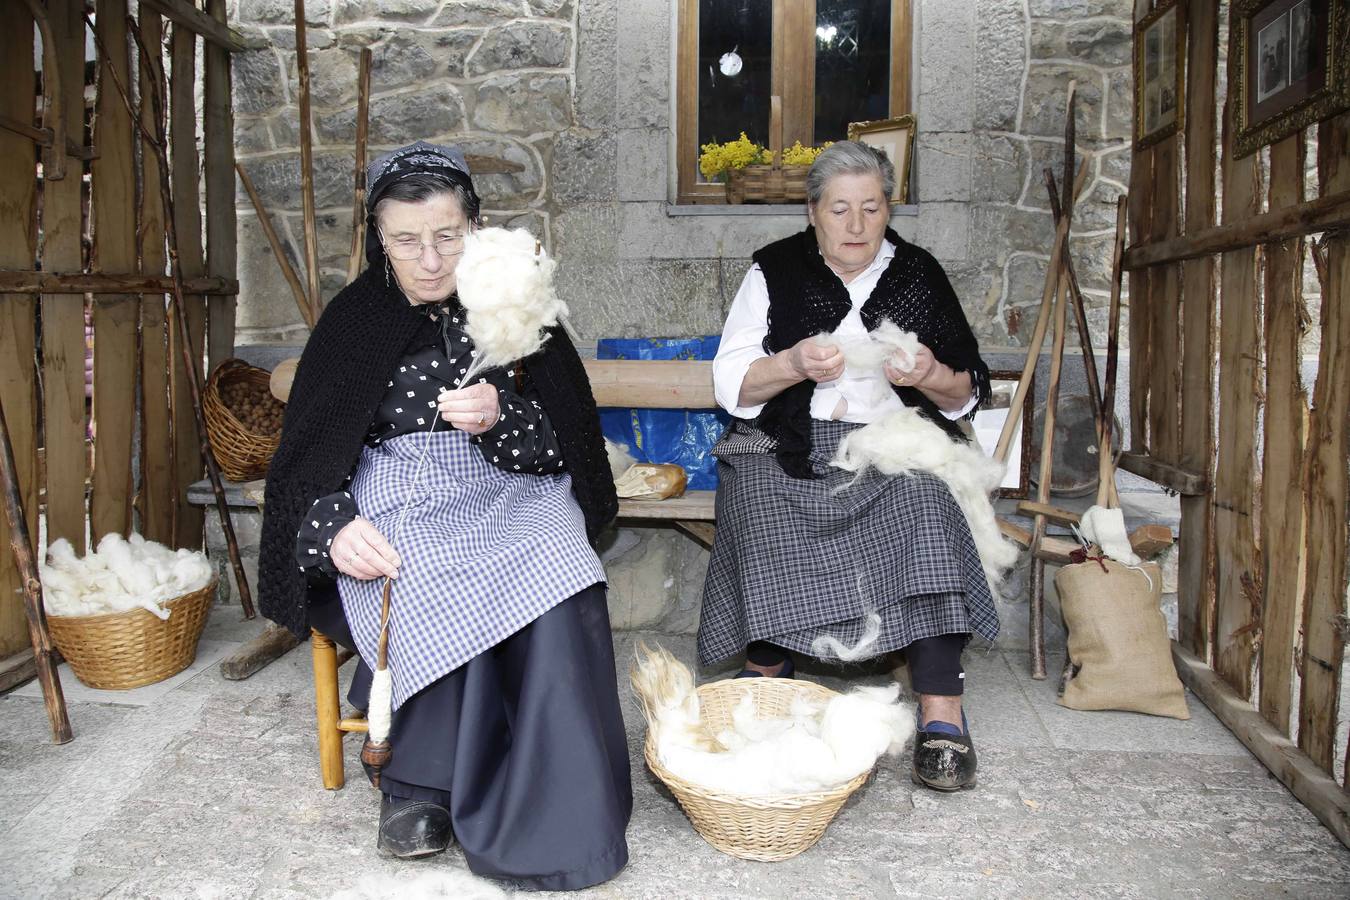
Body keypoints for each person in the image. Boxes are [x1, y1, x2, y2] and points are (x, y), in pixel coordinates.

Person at [258, 142, 630, 889]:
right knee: (423, 565)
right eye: (406, 240)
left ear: (475, 227)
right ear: (378, 238)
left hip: (512, 489)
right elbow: (305, 458)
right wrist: (334, 523)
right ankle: (417, 782)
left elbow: (572, 446)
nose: (429, 259)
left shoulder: (515, 306)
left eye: (447, 236)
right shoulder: (354, 320)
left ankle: (561, 787)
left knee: (562, 563)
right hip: (397, 490)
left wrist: (502, 416)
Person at [697, 141, 998, 792]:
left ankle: (941, 705)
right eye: (840, 209)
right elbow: (733, 386)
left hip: (896, 439)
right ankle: (769, 673)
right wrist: (793, 364)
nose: (856, 225)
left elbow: (965, 390)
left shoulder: (918, 274)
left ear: (889, 208)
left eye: (871, 207)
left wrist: (932, 373)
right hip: (788, 435)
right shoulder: (774, 270)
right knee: (759, 492)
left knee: (928, 499)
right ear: (813, 213)